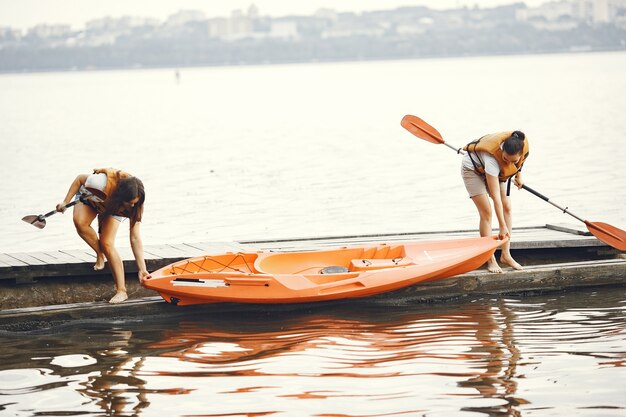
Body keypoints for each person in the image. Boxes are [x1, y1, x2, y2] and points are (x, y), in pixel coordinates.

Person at [56, 168, 151, 303]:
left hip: (113, 208)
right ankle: (100, 254)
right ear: (121, 197)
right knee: (80, 223)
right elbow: (79, 179)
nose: (133, 206)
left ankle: (121, 291)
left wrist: (142, 269)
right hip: (90, 197)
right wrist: (65, 202)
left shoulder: (136, 204)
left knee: (107, 243)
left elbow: (135, 238)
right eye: (129, 203)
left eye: (135, 203)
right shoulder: (99, 183)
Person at [461, 131, 529, 273]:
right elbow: (495, 196)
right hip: (472, 169)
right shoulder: (492, 158)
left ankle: (506, 255)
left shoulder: (520, 146)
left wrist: (519, 176)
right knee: (487, 212)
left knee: (508, 207)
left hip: (497, 171)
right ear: (502, 151)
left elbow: (518, 163)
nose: (509, 163)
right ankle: (490, 259)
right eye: (506, 159)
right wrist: (502, 226)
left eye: (513, 161)